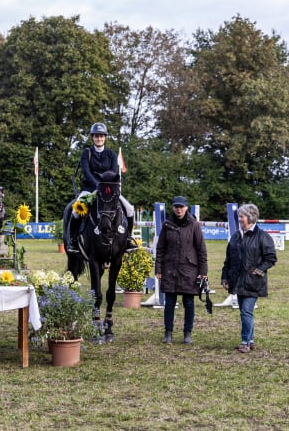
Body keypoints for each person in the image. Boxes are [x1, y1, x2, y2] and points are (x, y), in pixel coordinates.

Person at [66, 122, 138, 253]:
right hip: (89, 190)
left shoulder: (111, 154)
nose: (99, 138)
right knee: (76, 211)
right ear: (92, 137)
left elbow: (113, 173)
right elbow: (87, 173)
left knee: (129, 209)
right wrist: (97, 186)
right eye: (96, 136)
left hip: (108, 191)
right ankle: (73, 241)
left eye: (101, 136)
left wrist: (104, 188)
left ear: (105, 137)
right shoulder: (86, 153)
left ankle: (128, 239)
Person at [220, 203, 277, 353]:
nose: (239, 219)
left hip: (253, 282)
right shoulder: (236, 236)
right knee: (244, 312)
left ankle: (245, 342)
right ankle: (250, 341)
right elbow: (228, 260)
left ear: (251, 217)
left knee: (246, 311)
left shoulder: (262, 236)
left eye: (242, 216)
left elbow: (271, 258)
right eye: (239, 216)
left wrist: (258, 270)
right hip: (237, 281)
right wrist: (224, 277)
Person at [154, 196, 208, 344]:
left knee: (189, 303)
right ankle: (168, 333)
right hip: (169, 269)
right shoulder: (167, 225)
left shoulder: (194, 225)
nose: (178, 209)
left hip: (189, 270)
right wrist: (158, 268)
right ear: (173, 208)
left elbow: (201, 250)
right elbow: (160, 248)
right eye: (176, 207)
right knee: (169, 303)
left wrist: (203, 271)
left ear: (186, 208)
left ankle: (187, 333)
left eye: (181, 207)